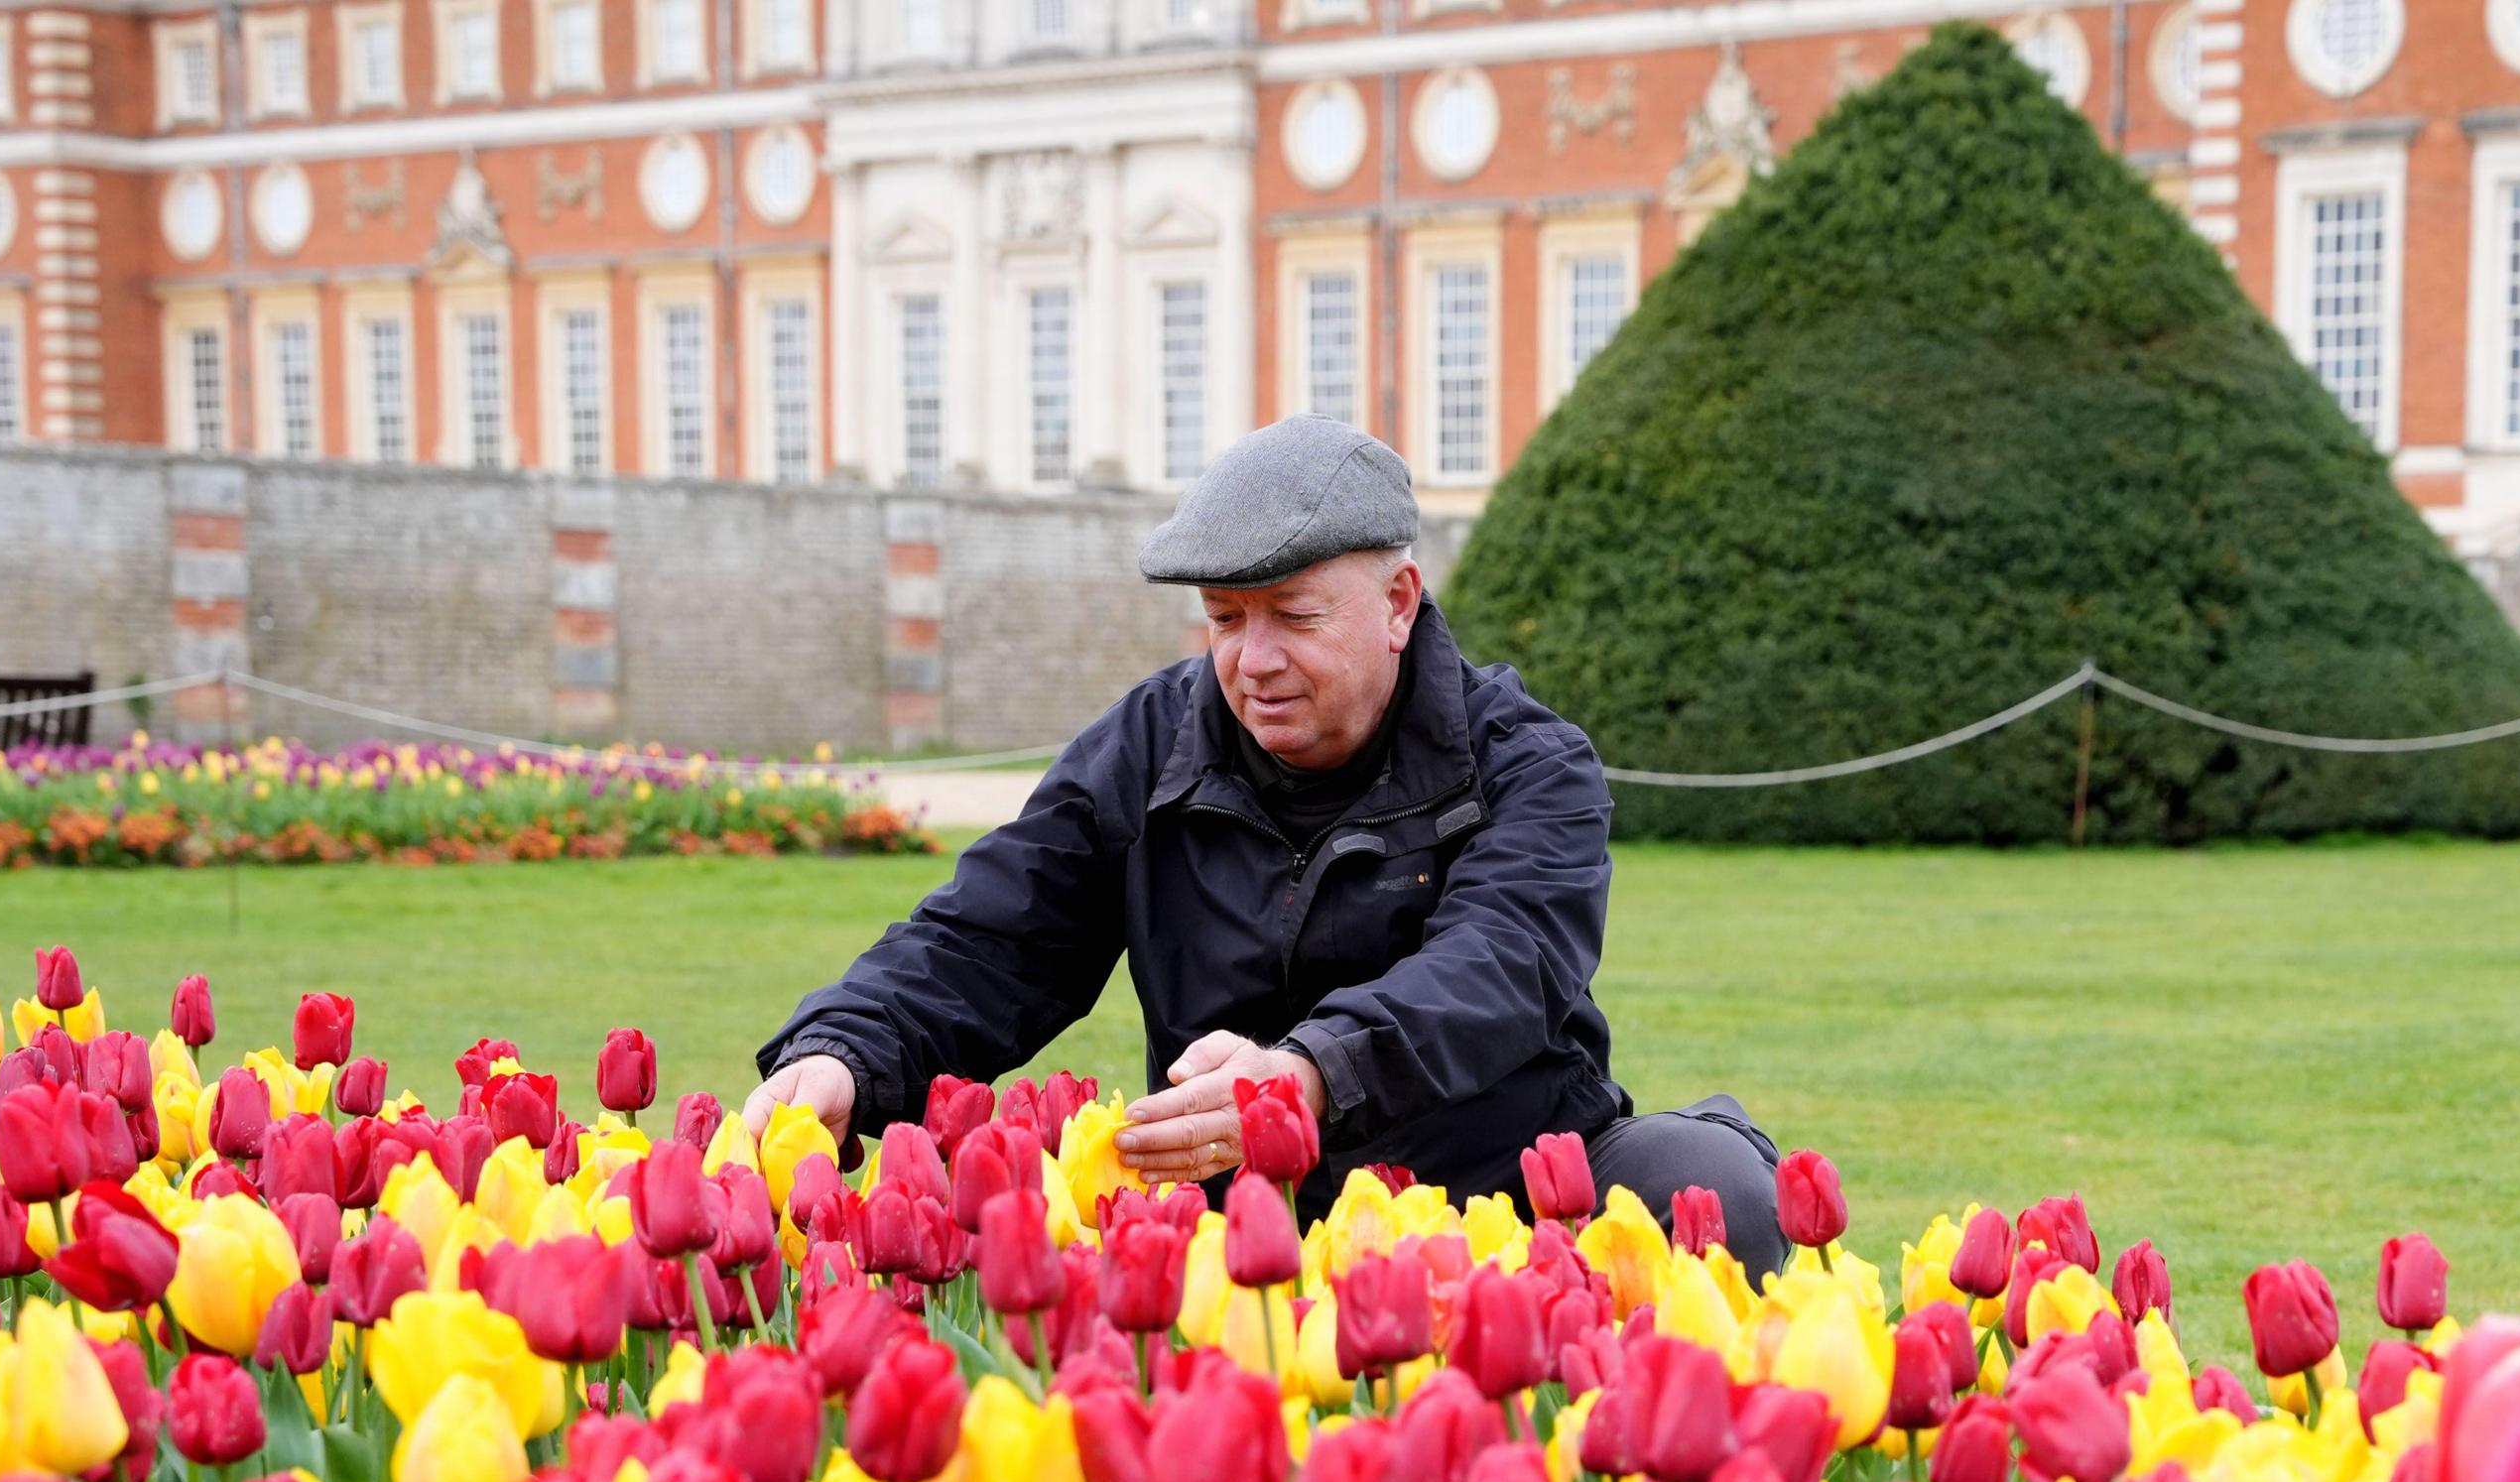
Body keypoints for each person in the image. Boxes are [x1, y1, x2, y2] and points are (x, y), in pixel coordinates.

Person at [743, 413, 1786, 1249]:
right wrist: (844, 1052)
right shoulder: (1150, 742)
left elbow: (1499, 967)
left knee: (1713, 1188)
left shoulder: (1529, 761)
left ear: (1398, 602)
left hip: (1500, 1196)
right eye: (1225, 618)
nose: (1253, 659)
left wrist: (1308, 1074)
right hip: (1239, 1227)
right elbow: (991, 936)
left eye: (1292, 614)